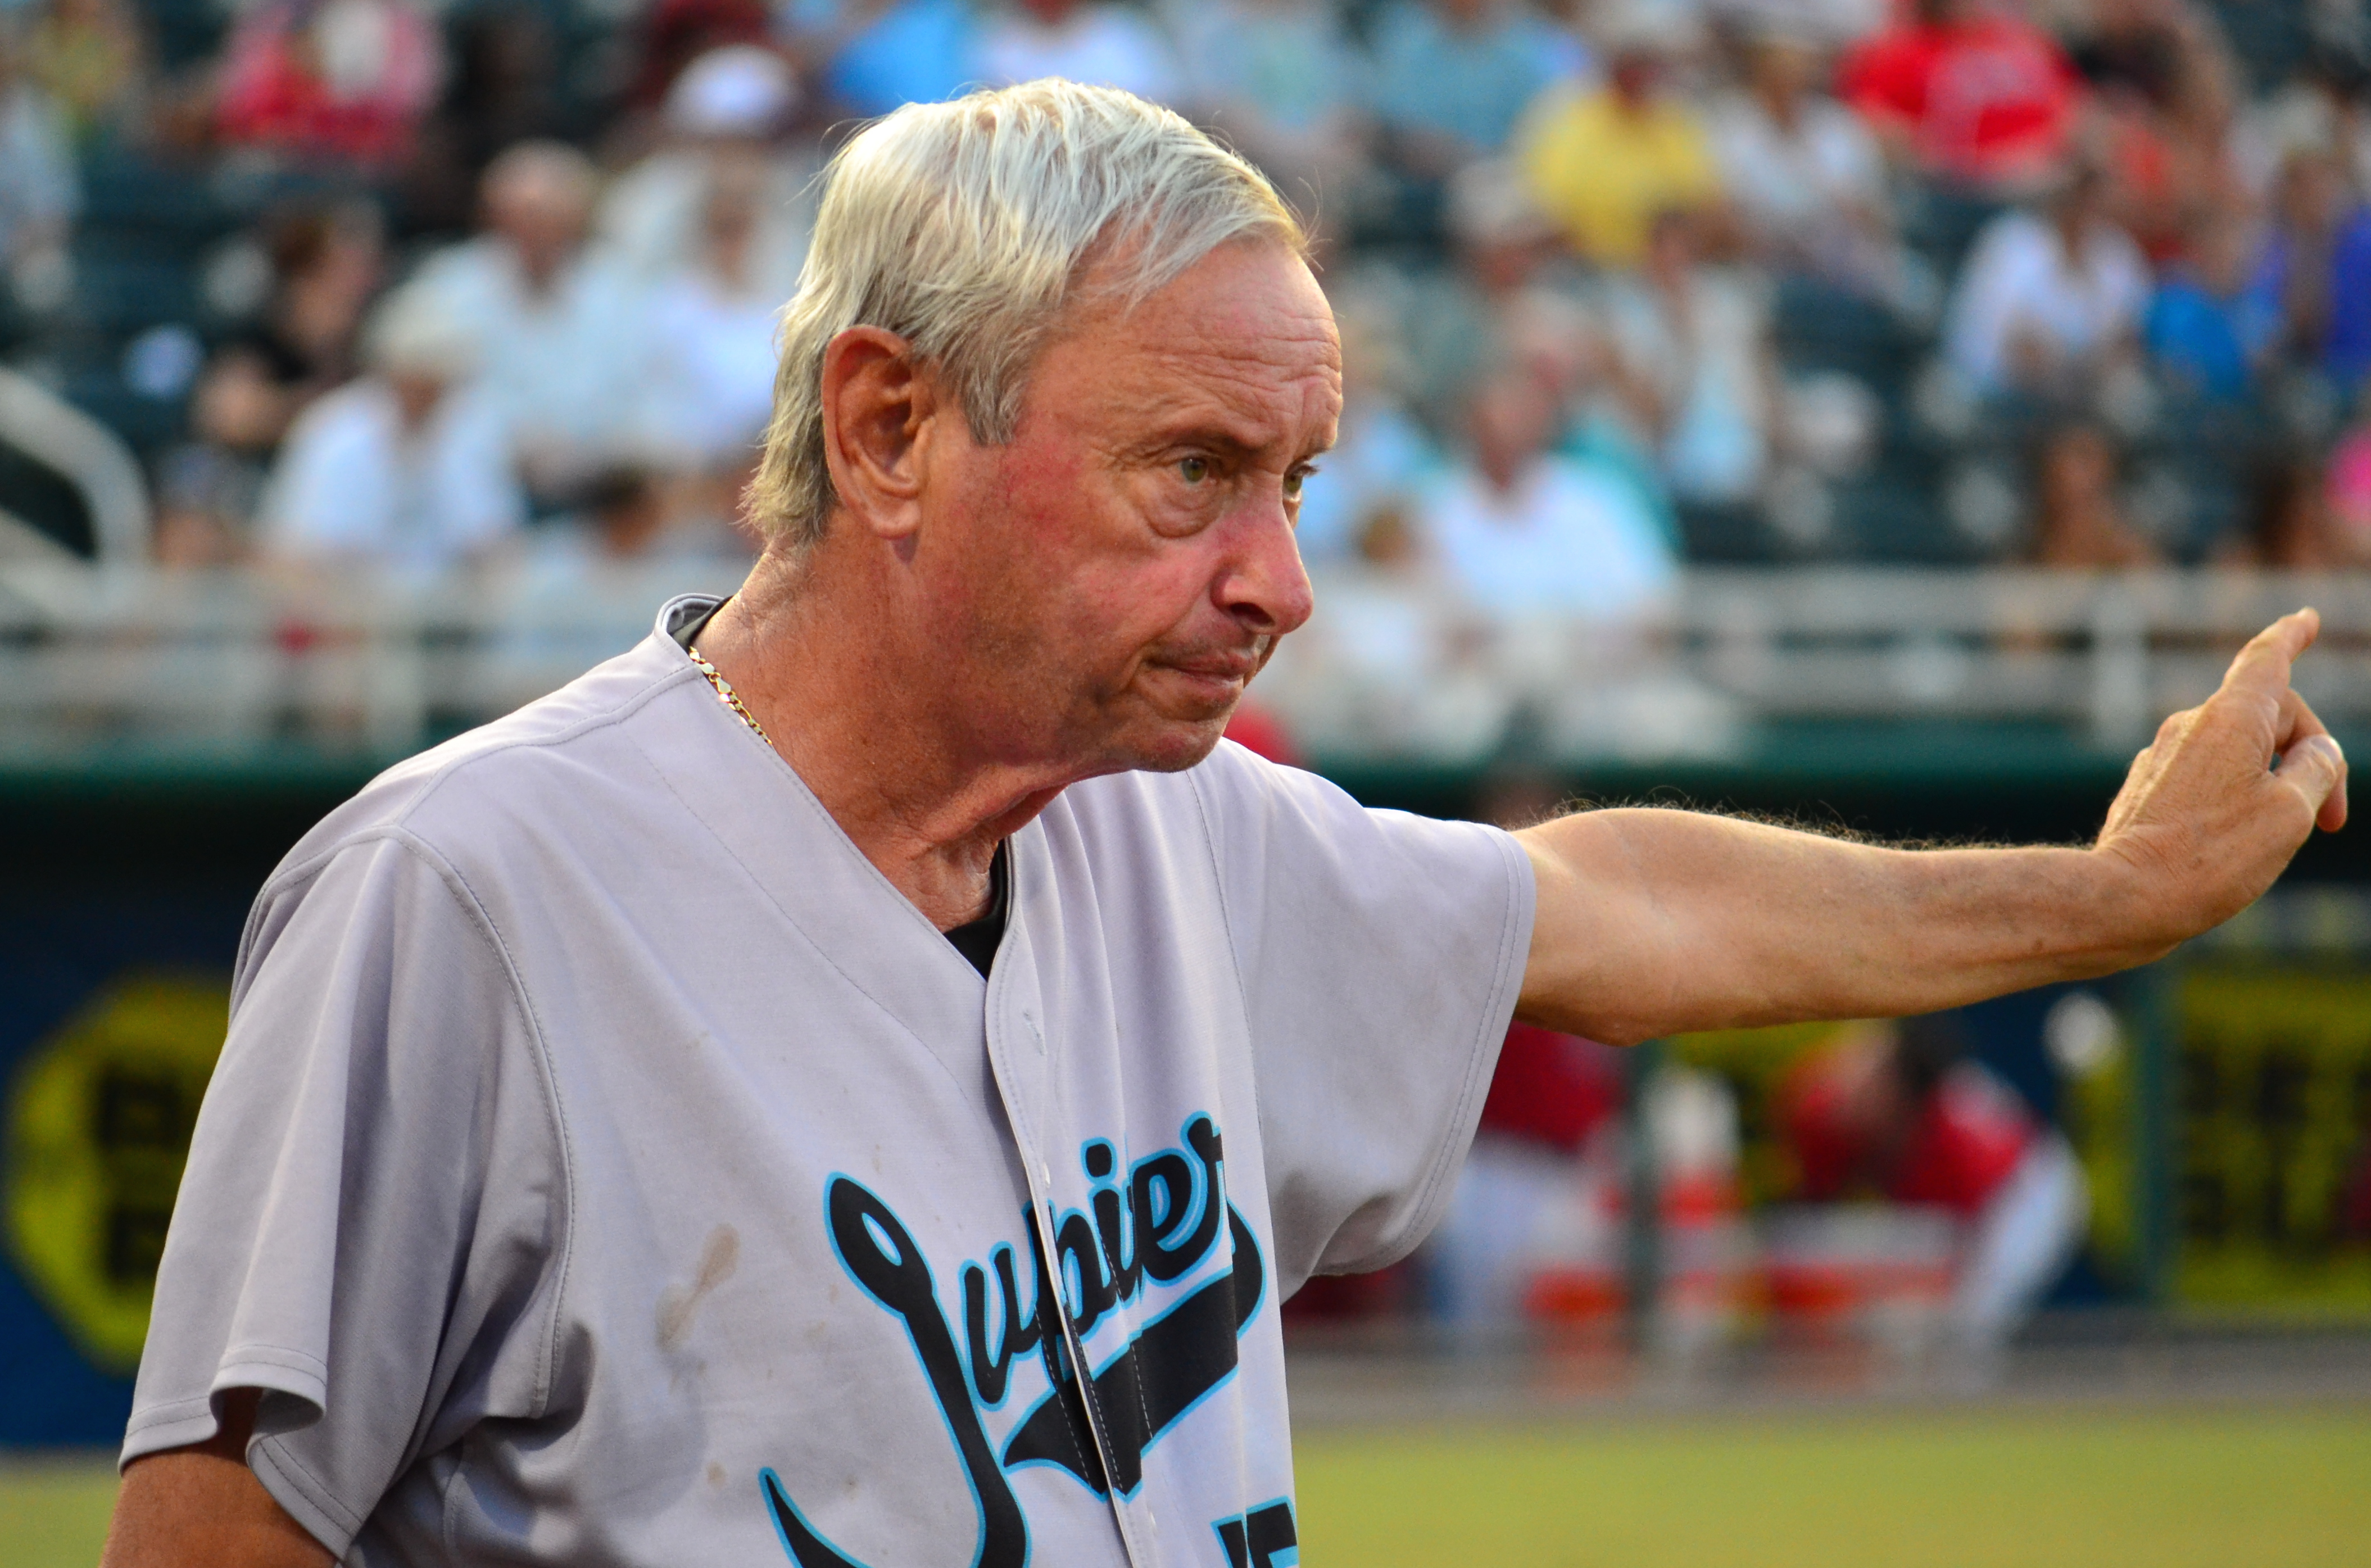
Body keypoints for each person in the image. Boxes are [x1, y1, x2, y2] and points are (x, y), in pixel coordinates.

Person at [104, 80, 2345, 1568]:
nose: (1278, 576)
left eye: (1295, 486)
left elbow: (1604, 904)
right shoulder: (465, 891)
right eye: (1195, 470)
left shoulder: (1167, 826)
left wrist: (2106, 889)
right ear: (887, 427)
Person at [1779, 1014, 2091, 1356]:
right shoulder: (1827, 1103)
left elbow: (1953, 1242)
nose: (1859, 1082)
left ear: (1904, 1099)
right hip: (1971, 1187)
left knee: (1971, 1322)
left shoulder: (1955, 1137)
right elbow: (1812, 1209)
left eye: (1880, 1081)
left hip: (2029, 1188)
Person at [405, 141, 652, 504]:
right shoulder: (448, 286)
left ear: (577, 221)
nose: (535, 232)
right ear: (493, 218)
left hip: (601, 481)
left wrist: (587, 451)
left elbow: (638, 387)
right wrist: (517, 442)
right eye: (521, 217)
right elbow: (438, 392)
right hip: (484, 478)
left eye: (550, 218)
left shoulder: (618, 289)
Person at [252, 284, 524, 572]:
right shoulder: (337, 434)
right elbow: (303, 555)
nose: (431, 395)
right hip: (348, 603)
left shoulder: (468, 432)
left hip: (445, 607)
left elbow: (493, 544)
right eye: (420, 380)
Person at [1419, 368, 1681, 620]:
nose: (1511, 425)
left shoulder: (1593, 500)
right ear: (1472, 421)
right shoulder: (1434, 507)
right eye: (1501, 411)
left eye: (1522, 413)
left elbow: (1649, 601)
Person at [1515, 8, 1722, 269]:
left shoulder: (1678, 118)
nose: (1641, 75)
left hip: (1670, 264)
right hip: (1589, 266)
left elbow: (1706, 198)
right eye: (1632, 63)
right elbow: (1548, 207)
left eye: (1649, 64)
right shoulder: (1565, 116)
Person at [1943, 160, 2152, 398]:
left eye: (2092, 190)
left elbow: (2129, 339)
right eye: (2077, 189)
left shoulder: (2118, 252)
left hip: (2089, 397)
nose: (2083, 201)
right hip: (1996, 395)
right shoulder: (2011, 242)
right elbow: (1977, 344)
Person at [1836, 0, 2082, 194]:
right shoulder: (1899, 53)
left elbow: (2073, 103)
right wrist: (1985, 168)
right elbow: (1875, 125)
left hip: (2050, 176)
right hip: (1959, 194)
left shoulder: (2023, 42)